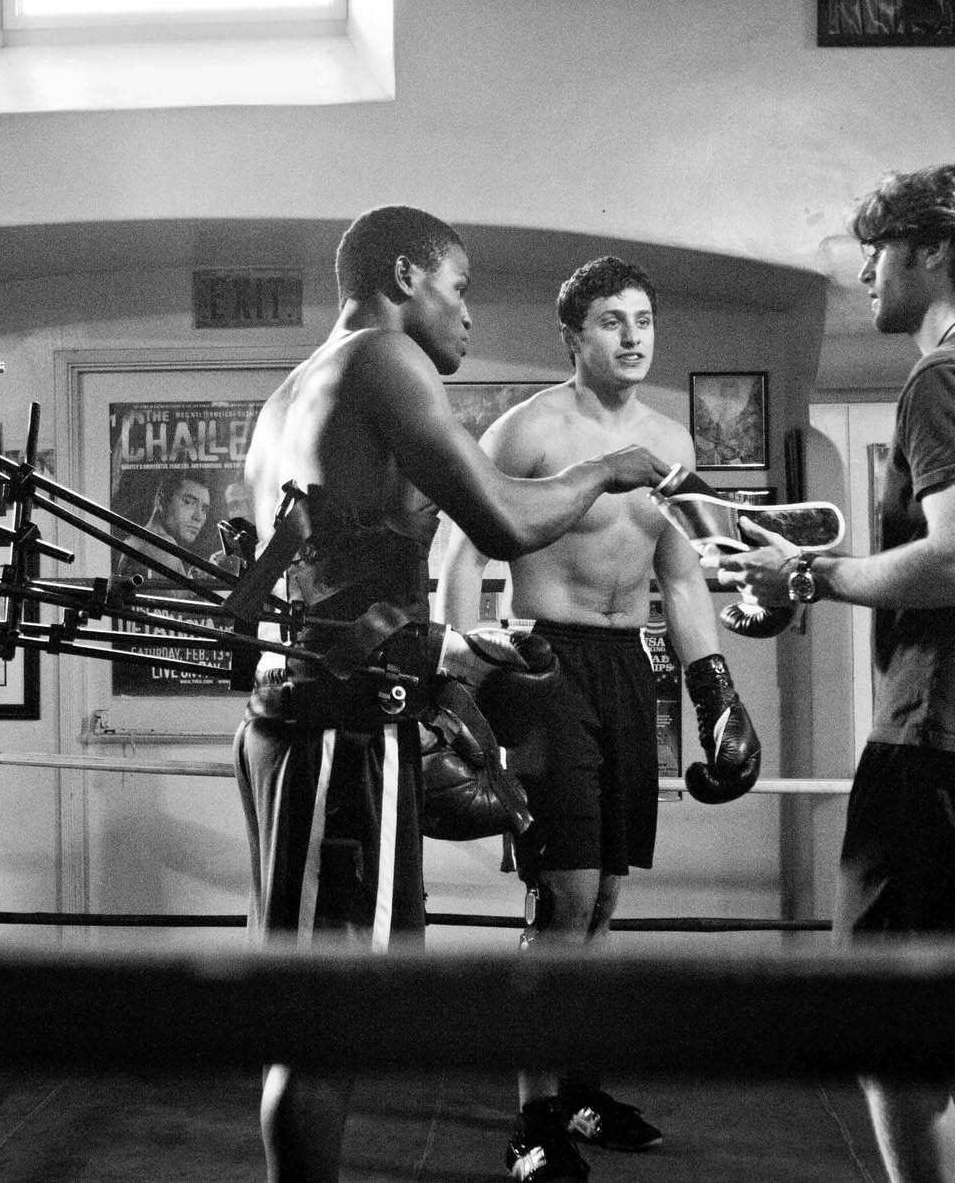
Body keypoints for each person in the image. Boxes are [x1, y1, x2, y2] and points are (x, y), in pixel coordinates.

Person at [236, 205, 672, 1183]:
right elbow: (507, 519)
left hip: (310, 712)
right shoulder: (383, 358)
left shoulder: (298, 388)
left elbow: (330, 577)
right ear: (404, 276)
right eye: (458, 287)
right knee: (324, 1020)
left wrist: (449, 647)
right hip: (337, 731)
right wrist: (606, 468)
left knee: (322, 1006)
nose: (468, 313)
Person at [714, 163, 955, 1183]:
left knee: (886, 1028)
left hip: (936, 737)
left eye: (879, 251)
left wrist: (809, 574)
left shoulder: (947, 375)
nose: (864, 272)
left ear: (934, 253)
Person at [434, 256, 749, 1181]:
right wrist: (458, 669)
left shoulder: (669, 439)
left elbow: (680, 577)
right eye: (613, 320)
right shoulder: (531, 428)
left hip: (626, 667)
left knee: (607, 896)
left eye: (643, 318)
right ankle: (532, 1121)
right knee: (561, 898)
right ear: (572, 336)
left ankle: (579, 1088)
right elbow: (460, 548)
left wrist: (715, 692)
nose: (634, 335)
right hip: (545, 665)